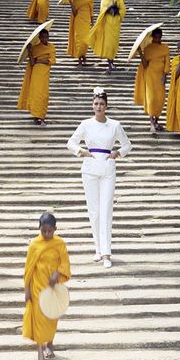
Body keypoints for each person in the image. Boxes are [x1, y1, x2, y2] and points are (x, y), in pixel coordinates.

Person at [67, 88, 131, 268]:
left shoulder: (115, 125)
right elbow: (70, 142)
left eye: (102, 104)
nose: (98, 107)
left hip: (108, 169)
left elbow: (127, 144)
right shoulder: (86, 124)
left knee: (106, 210)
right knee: (94, 211)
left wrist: (117, 153)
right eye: (96, 104)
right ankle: (97, 247)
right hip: (89, 168)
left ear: (106, 106)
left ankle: (106, 253)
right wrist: (81, 151)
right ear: (92, 105)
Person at [23, 212, 71, 360]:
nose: (47, 234)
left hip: (52, 289)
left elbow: (65, 263)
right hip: (37, 287)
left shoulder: (59, 244)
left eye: (50, 231)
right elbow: (28, 270)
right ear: (40, 229)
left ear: (55, 229)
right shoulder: (34, 245)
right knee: (39, 322)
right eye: (44, 231)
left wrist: (57, 274)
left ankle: (49, 344)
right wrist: (27, 290)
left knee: (51, 319)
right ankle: (40, 359)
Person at [134, 28, 171, 133]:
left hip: (160, 76)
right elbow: (145, 65)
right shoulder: (148, 48)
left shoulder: (165, 48)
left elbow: (167, 63)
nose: (157, 39)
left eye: (159, 37)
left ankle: (156, 121)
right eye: (155, 37)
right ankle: (151, 123)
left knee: (160, 99)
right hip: (150, 75)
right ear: (152, 37)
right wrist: (140, 53)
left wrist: (165, 75)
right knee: (151, 98)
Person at [17, 29, 56, 126]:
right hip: (36, 74)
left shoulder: (51, 47)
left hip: (45, 73)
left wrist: (39, 60)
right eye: (42, 37)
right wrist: (30, 51)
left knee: (44, 95)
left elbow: (52, 61)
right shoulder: (35, 48)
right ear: (39, 37)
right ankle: (36, 116)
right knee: (36, 94)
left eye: (46, 37)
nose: (45, 39)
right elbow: (32, 62)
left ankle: (41, 116)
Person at [87, 0, 126, 74]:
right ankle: (109, 64)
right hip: (106, 24)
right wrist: (109, 8)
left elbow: (123, 10)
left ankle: (112, 62)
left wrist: (116, 11)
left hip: (115, 24)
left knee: (113, 45)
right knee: (108, 45)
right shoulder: (104, 0)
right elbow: (102, 11)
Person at [67, 0, 94, 68]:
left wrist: (92, 22)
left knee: (85, 41)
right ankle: (79, 60)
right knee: (79, 40)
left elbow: (91, 11)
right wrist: (70, 1)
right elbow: (74, 13)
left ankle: (83, 55)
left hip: (86, 21)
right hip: (78, 21)